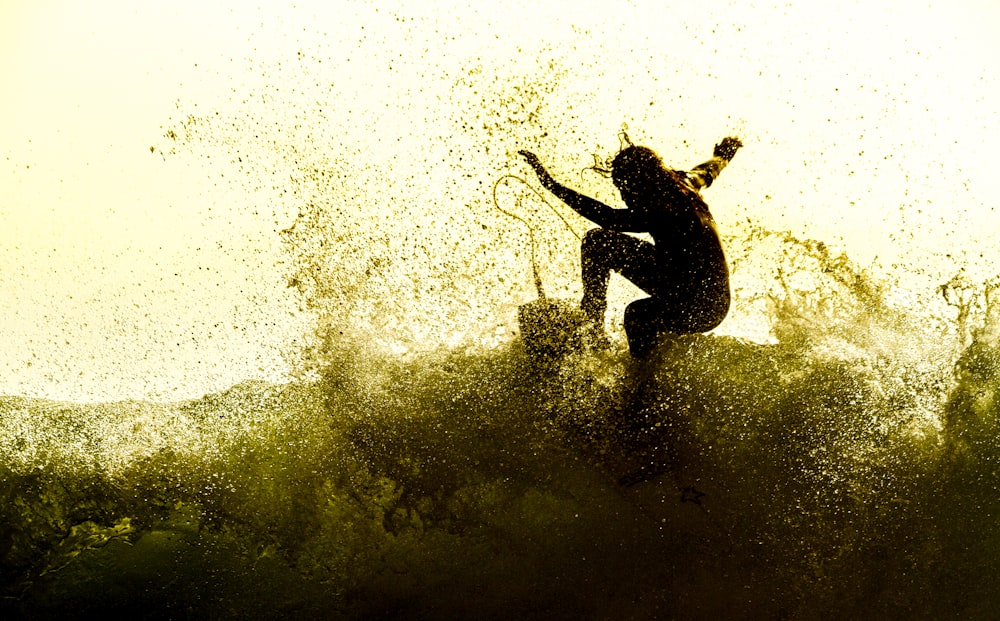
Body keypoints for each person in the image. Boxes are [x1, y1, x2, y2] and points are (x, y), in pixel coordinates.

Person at [519, 132, 742, 357]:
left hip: (702, 306)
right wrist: (721, 157)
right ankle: (592, 324)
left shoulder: (662, 209)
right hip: (695, 289)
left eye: (624, 188)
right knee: (599, 242)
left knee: (637, 313)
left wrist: (551, 184)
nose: (624, 197)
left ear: (639, 182)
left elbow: (609, 218)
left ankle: (638, 380)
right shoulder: (683, 183)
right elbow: (708, 171)